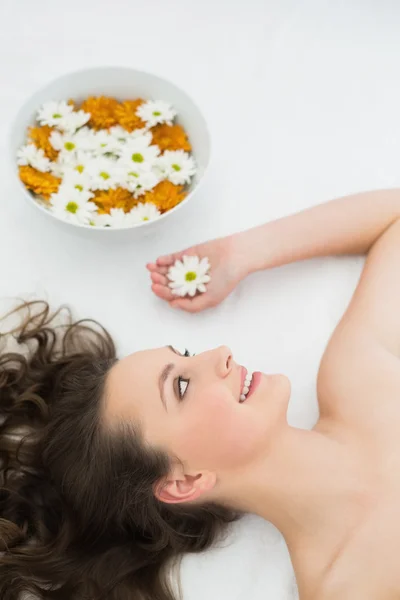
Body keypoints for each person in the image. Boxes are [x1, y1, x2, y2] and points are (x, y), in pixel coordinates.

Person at [1, 188, 400, 600]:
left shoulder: (357, 382)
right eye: (182, 386)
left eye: (188, 355)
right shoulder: (347, 587)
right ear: (185, 481)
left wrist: (239, 254)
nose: (222, 354)